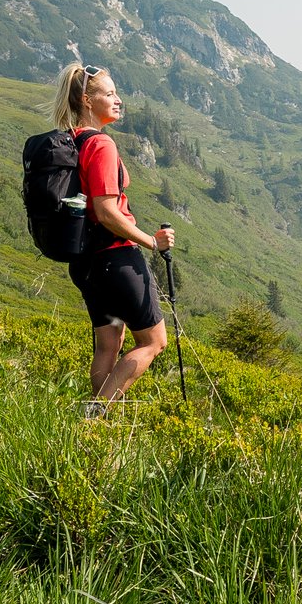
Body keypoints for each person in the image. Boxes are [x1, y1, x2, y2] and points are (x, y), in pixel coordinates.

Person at [50, 62, 175, 413]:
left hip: (86, 262)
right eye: (110, 94)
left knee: (108, 345)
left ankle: (95, 426)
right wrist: (151, 241)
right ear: (88, 100)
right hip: (116, 261)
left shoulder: (72, 141)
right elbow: (106, 210)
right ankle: (93, 418)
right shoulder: (101, 145)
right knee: (154, 342)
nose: (118, 100)